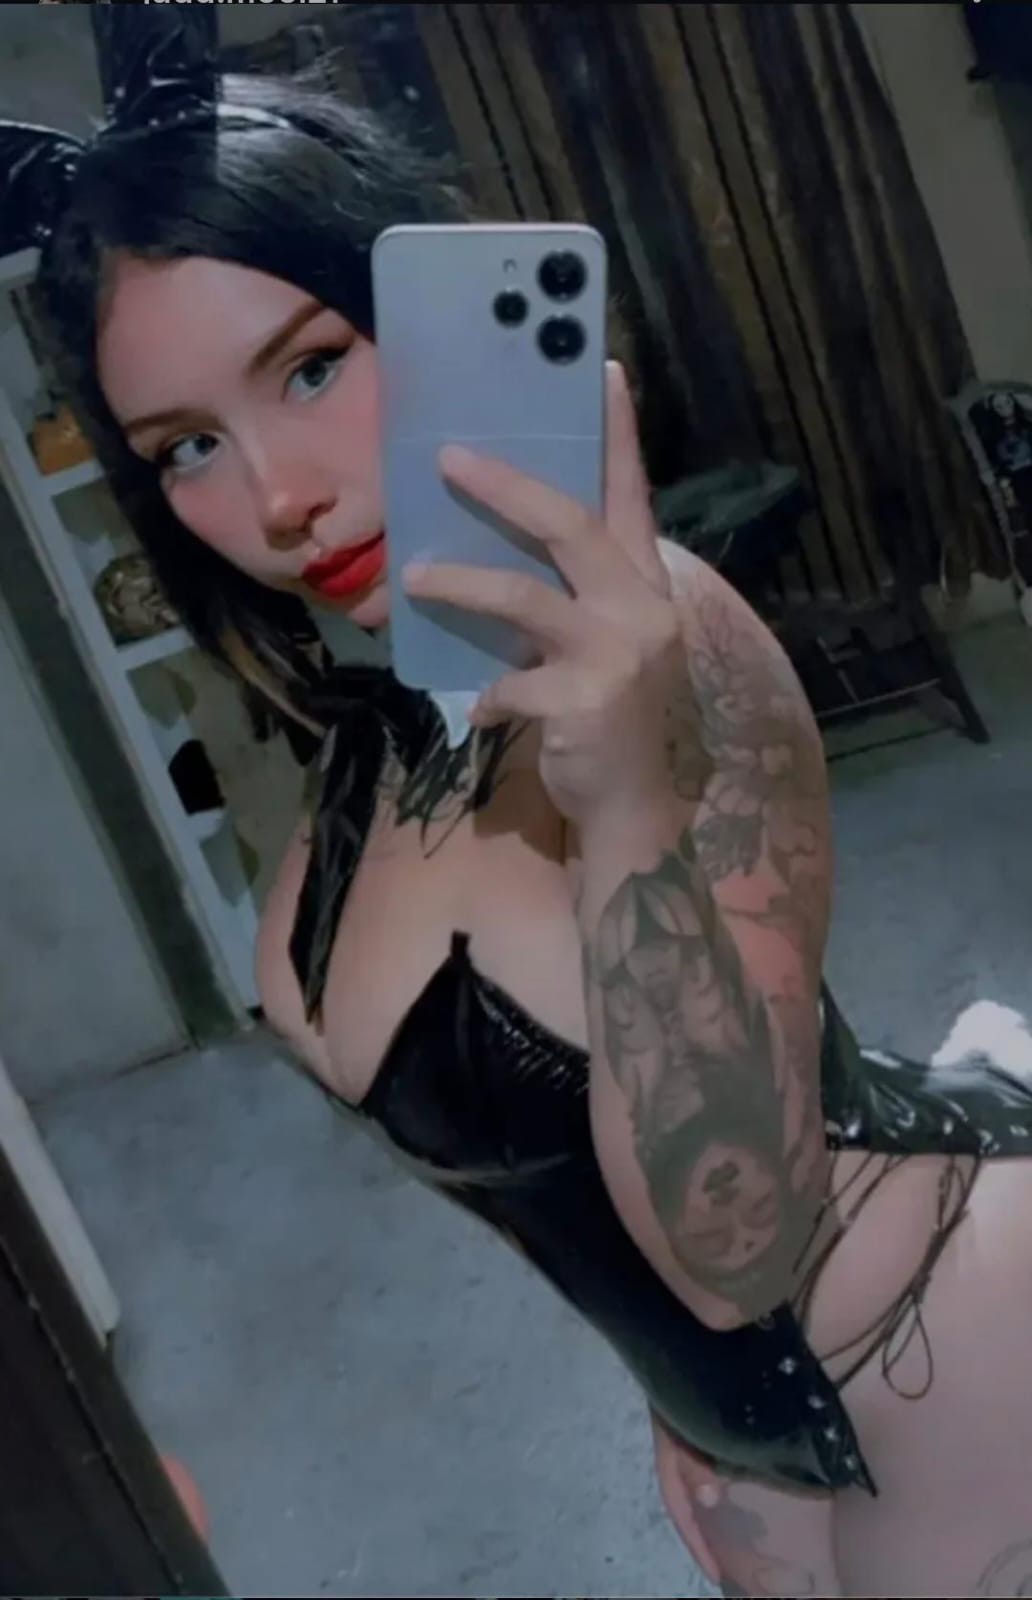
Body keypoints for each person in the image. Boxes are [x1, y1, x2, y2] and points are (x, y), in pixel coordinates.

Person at [12, 41, 1032, 1599]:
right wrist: (680, 1410)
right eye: (188, 448)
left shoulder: (666, 645)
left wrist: (626, 803)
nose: (273, 496)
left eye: (310, 366)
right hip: (752, 1439)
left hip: (953, 1334)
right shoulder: (370, 722)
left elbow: (740, 1252)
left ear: (440, 320)